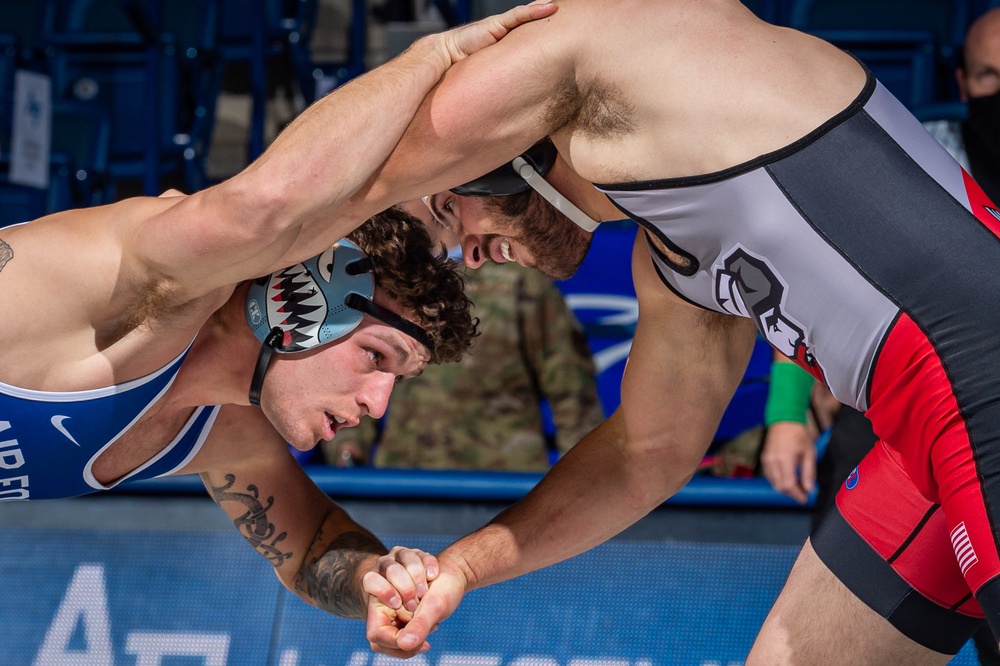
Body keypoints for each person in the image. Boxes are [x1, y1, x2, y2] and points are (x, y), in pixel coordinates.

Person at [326, 0, 1000, 661]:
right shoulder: (675, 258)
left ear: (504, 137)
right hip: (924, 444)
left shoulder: (669, 66)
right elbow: (644, 455)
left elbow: (282, 197)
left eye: (450, 209)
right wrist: (463, 568)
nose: (465, 251)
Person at [0, 1, 555, 626]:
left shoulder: (223, 430)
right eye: (377, 358)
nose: (377, 405)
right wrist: (436, 58)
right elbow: (266, 207)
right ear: (310, 299)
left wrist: (375, 579)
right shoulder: (141, 285)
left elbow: (312, 546)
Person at [324, 199, 603, 471]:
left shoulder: (518, 282)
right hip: (407, 477)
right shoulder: (382, 282)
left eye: (410, 192)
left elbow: (571, 386)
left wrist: (578, 477)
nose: (396, 204)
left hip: (503, 483)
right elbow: (363, 370)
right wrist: (348, 448)